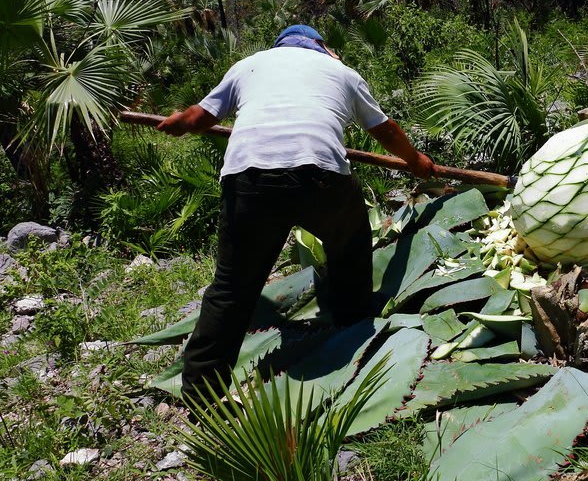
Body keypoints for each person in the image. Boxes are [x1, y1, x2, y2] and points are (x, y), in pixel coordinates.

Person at [156, 24, 434, 405]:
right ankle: (351, 329)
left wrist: (178, 123)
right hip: (319, 176)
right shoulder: (341, 72)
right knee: (349, 244)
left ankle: (201, 395)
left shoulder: (249, 66)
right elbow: (384, 130)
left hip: (249, 178)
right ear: (322, 47)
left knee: (232, 289)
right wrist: (416, 161)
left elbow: (200, 117)